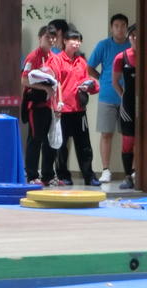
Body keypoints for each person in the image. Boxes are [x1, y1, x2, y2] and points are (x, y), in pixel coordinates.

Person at [47, 28, 101, 186]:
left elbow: (90, 83)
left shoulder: (81, 61)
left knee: (84, 145)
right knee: (62, 145)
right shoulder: (56, 60)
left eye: (79, 40)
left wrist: (89, 85)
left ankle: (89, 176)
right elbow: (53, 83)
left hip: (79, 109)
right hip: (62, 110)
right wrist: (55, 105)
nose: (76, 43)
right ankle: (63, 175)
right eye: (73, 40)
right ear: (64, 41)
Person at [86, 13, 130, 184]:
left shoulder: (132, 45)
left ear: (127, 27)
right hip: (107, 96)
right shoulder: (103, 45)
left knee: (129, 135)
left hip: (128, 97)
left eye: (123, 25)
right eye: (116, 26)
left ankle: (130, 172)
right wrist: (103, 79)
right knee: (106, 134)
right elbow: (90, 67)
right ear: (111, 28)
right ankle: (105, 170)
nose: (120, 29)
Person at [21, 26, 57, 185]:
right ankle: (32, 176)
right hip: (35, 105)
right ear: (40, 38)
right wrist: (44, 88)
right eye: (48, 37)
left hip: (50, 105)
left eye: (53, 37)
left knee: (50, 141)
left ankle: (48, 176)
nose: (51, 40)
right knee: (35, 140)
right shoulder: (33, 57)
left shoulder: (54, 58)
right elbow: (24, 80)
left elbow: (57, 83)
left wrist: (58, 103)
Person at [111, 24, 138, 190]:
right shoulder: (121, 57)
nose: (135, 38)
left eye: (138, 35)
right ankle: (128, 176)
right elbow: (115, 82)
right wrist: (124, 97)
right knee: (128, 141)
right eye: (132, 36)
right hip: (128, 105)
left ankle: (139, 173)